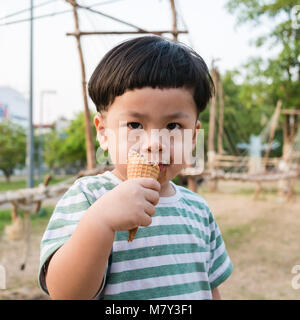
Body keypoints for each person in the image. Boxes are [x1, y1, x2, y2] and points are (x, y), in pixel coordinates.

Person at [38, 35, 233, 300]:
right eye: (135, 125)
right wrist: (101, 222)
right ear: (103, 132)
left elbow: (209, 288)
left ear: (194, 137)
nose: (154, 143)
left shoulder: (198, 210)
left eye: (174, 126)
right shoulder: (88, 198)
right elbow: (65, 294)